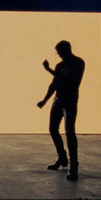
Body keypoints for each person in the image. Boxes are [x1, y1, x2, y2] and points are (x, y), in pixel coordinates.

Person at [37, 40, 85, 180]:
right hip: (57, 101)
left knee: (70, 132)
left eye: (59, 53)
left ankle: (74, 166)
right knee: (53, 129)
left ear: (66, 50)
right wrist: (45, 100)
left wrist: (49, 70)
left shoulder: (78, 63)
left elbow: (71, 81)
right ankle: (62, 158)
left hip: (70, 101)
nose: (58, 56)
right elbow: (54, 84)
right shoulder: (60, 65)